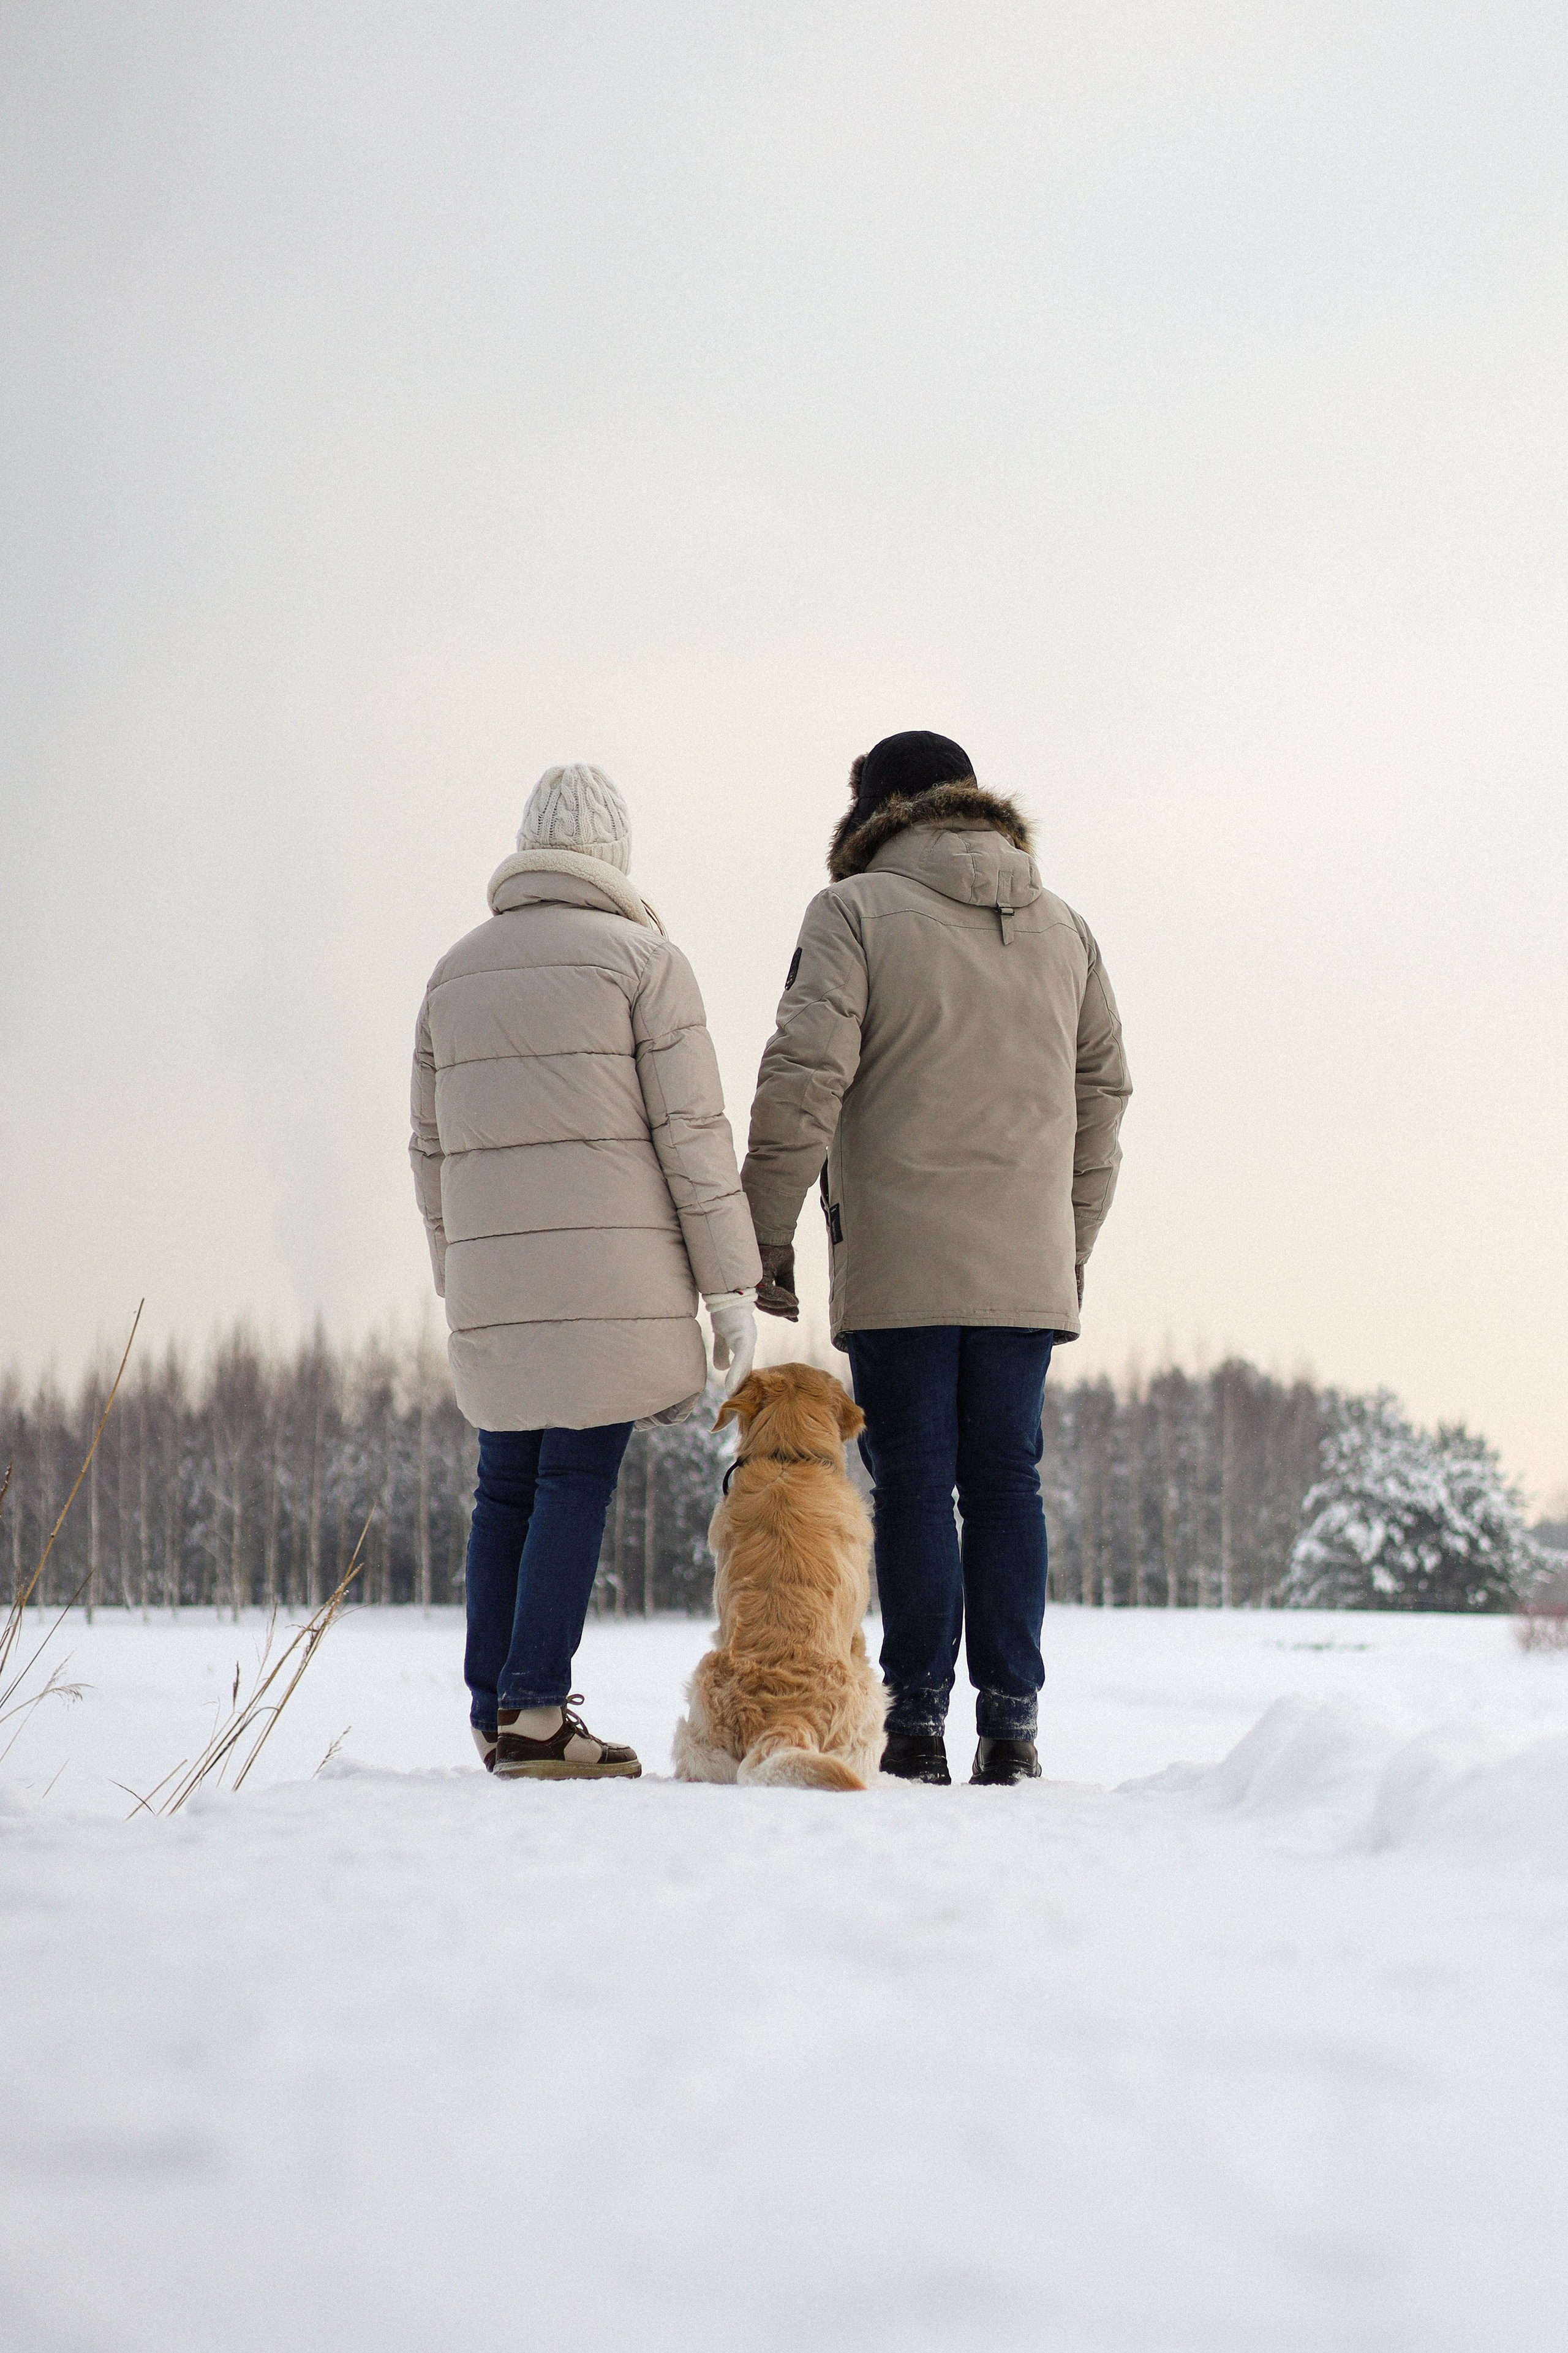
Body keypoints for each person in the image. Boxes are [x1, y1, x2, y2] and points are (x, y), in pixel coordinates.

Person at [742, 731, 1131, 1786]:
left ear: (872, 814)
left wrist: (762, 1229)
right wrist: (1069, 1239)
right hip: (1024, 1265)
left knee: (914, 1479)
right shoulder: (1067, 930)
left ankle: (914, 1721)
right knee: (1008, 1480)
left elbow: (804, 1072)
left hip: (899, 1258)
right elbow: (1105, 1100)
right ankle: (1013, 1725)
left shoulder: (852, 913)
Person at [410, 763, 760, 1779]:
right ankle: (534, 1709)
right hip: (613, 1283)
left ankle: (498, 1703)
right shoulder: (646, 963)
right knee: (574, 1476)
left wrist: (456, 1277)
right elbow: (692, 1135)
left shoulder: (453, 975)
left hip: (493, 1283)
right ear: (613, 857)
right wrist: (729, 1288)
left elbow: (430, 1153)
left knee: (505, 1485)